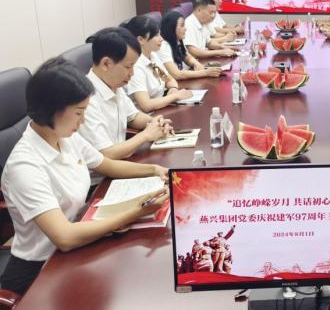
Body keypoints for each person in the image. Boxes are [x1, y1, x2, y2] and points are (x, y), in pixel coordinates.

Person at [0, 58, 169, 295]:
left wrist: (155, 171)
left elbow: (107, 165)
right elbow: (65, 237)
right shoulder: (25, 165)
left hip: (81, 243)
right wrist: (136, 212)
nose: (83, 120)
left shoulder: (64, 136)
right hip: (41, 270)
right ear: (52, 110)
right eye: (79, 112)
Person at [79, 27, 174, 163]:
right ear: (106, 63)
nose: (132, 73)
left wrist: (155, 123)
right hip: (103, 173)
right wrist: (146, 135)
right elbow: (106, 154)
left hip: (123, 162)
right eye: (128, 67)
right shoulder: (86, 99)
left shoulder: (113, 83)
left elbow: (133, 116)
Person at [121, 16, 193, 111]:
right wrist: (175, 96)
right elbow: (146, 105)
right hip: (147, 115)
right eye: (156, 35)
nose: (161, 39)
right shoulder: (135, 66)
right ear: (141, 39)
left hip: (160, 108)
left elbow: (168, 79)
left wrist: (173, 88)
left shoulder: (152, 56)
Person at [158, 11, 223, 80]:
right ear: (171, 28)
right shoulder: (163, 46)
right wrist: (205, 73)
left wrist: (196, 64)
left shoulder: (177, 40)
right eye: (182, 25)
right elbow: (176, 74)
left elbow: (186, 56)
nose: (185, 29)